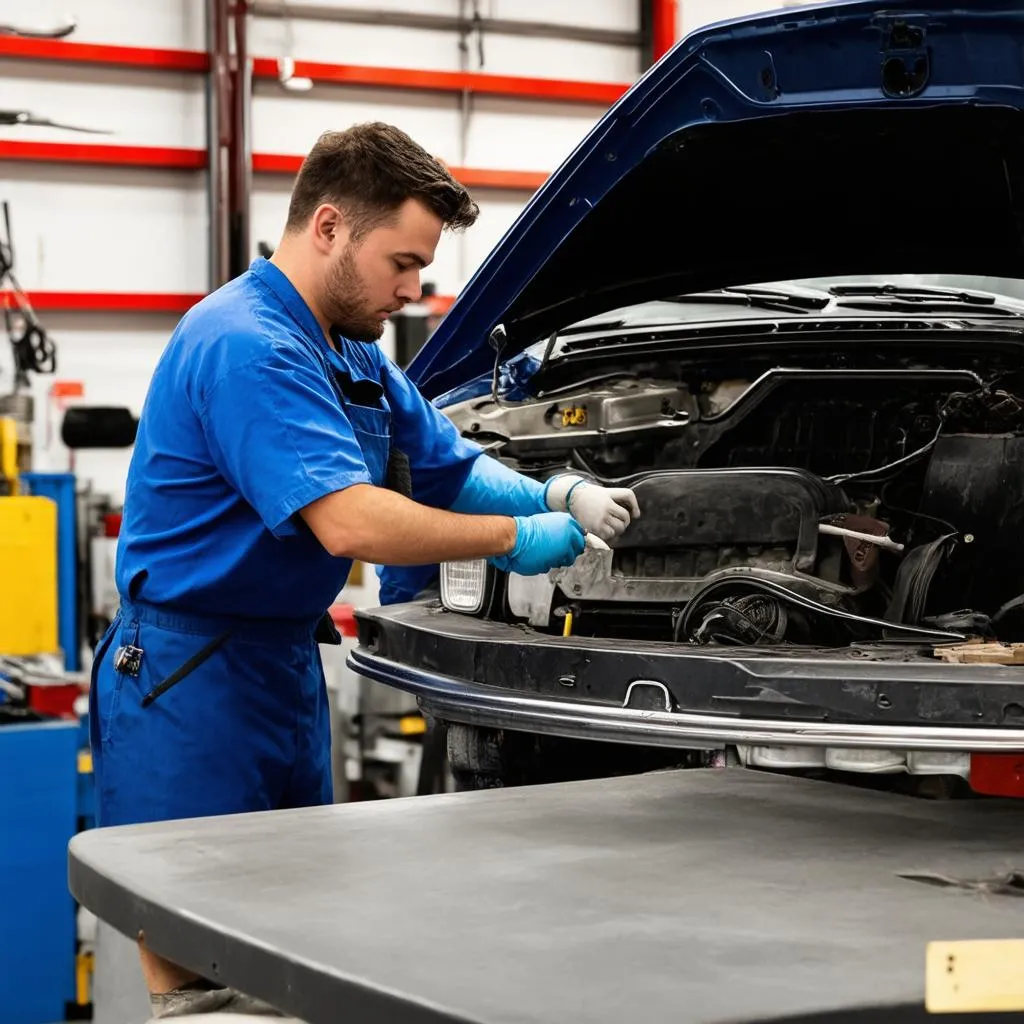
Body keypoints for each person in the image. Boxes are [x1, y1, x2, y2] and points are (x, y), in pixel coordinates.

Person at [89, 121, 639, 1017]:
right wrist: (513, 541)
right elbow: (347, 520)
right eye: (402, 262)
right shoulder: (246, 344)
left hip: (279, 674)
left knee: (290, 957)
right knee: (202, 990)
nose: (414, 289)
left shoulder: (350, 351)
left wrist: (555, 492)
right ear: (331, 226)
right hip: (188, 687)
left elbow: (450, 462)